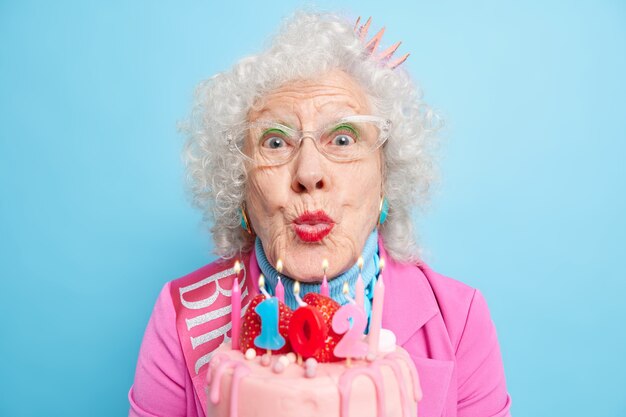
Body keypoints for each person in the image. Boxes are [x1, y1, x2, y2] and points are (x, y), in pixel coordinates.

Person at [128, 11, 511, 417]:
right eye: (275, 142)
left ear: (387, 175)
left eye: (343, 138)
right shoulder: (181, 313)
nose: (309, 174)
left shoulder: (459, 318)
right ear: (239, 184)